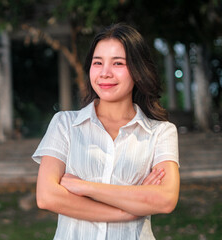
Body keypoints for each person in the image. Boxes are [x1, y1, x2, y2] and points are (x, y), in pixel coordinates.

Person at [32, 23, 180, 240]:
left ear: (138, 71)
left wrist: (84, 187)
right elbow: (47, 197)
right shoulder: (64, 124)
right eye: (97, 62)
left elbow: (165, 199)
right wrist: (128, 209)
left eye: (118, 63)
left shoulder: (160, 132)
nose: (105, 73)